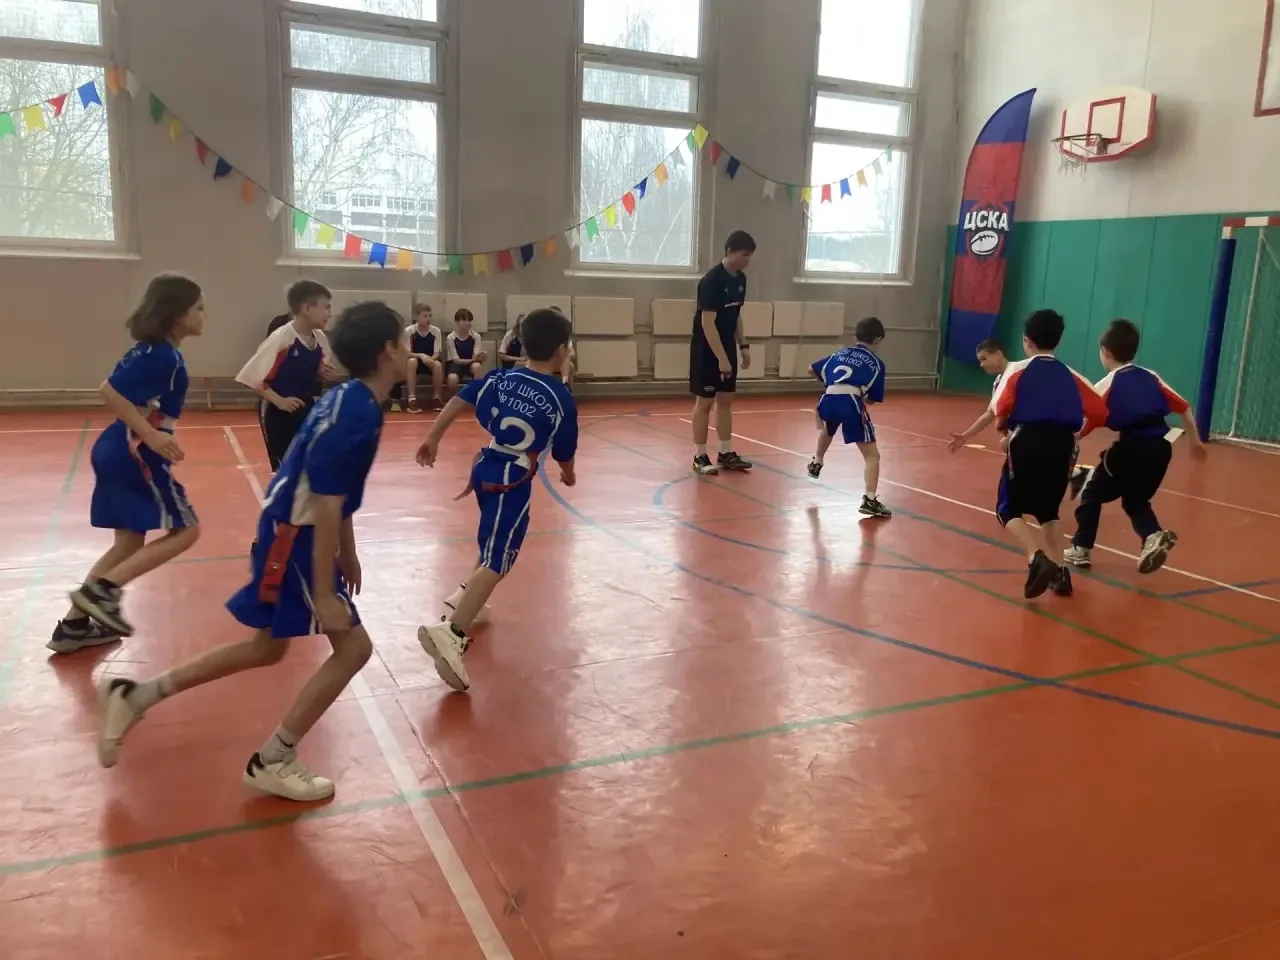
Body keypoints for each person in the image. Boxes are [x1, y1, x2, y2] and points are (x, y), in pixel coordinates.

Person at [94, 301, 408, 802]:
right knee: (354, 649)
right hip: (296, 536)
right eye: (405, 341)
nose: (410, 350)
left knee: (267, 647)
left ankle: (137, 695)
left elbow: (337, 486)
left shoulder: (348, 397)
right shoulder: (357, 410)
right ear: (388, 350)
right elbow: (326, 498)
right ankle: (274, 758)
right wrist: (323, 591)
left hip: (285, 528)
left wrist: (347, 552)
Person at [415, 307, 578, 693]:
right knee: (500, 558)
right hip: (512, 480)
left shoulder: (501, 378)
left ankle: (465, 597)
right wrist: (569, 475)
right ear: (561, 350)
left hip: (485, 466)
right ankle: (452, 633)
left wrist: (432, 438)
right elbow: (564, 453)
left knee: (492, 539)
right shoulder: (560, 398)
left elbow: (458, 402)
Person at [49, 275, 205, 654]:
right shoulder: (163, 356)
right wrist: (151, 435)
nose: (204, 316)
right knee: (187, 531)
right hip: (134, 452)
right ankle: (103, 592)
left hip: (117, 447)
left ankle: (73, 627)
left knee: (129, 543)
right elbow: (109, 390)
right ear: (177, 314)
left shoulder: (151, 351)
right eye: (199, 308)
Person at [1064, 319, 1206, 574]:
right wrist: (1195, 442)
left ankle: (1080, 548)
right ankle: (1152, 535)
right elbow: (1184, 407)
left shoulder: (1107, 383)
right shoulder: (1151, 376)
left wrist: (1073, 438)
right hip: (1162, 448)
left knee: (1092, 492)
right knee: (1135, 499)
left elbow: (1088, 419)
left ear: (1105, 352)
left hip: (1131, 447)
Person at [990, 309, 1108, 599]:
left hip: (1027, 438)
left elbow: (1001, 408)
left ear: (1026, 340)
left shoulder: (1017, 370)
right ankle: (1061, 573)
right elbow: (1099, 410)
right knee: (1047, 510)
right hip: (1063, 445)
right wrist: (1077, 433)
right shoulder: (1072, 375)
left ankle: (1036, 556)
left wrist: (1004, 430)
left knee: (1007, 508)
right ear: (1058, 340)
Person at [237, 280, 336, 471]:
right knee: (288, 469)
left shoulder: (320, 338)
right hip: (278, 412)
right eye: (326, 307)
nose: (330, 314)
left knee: (310, 466)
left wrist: (321, 372)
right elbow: (251, 377)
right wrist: (279, 401)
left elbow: (313, 369)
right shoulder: (281, 338)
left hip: (306, 406)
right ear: (307, 308)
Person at [805, 317, 892, 518]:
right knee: (872, 455)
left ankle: (817, 461)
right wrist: (861, 396)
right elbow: (873, 399)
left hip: (827, 399)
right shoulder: (876, 363)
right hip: (851, 401)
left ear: (856, 336)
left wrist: (831, 384)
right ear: (877, 340)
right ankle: (870, 500)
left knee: (829, 427)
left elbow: (811, 368)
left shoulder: (839, 353)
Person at [690, 230, 756, 475]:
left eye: (749, 256)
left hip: (727, 346)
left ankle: (726, 452)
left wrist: (743, 345)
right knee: (705, 402)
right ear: (730, 251)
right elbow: (708, 323)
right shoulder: (711, 281)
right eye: (744, 255)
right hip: (707, 349)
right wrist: (721, 358)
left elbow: (736, 314)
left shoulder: (741, 279)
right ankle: (700, 456)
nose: (747, 260)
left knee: (726, 401)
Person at [946, 339, 1009, 451]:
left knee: (1006, 445)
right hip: (1016, 433)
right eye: (980, 361)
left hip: (1031, 431)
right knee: (1006, 445)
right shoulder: (998, 382)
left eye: (984, 359)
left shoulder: (1019, 372)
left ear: (998, 354)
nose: (981, 365)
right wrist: (965, 436)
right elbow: (989, 413)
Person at [404, 302, 444, 412]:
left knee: (438, 364)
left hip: (430, 361)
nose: (428, 318)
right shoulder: (409, 331)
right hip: (416, 361)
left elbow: (437, 353)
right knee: (411, 361)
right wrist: (421, 355)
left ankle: (437, 398)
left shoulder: (436, 331)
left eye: (430, 316)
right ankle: (411, 399)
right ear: (417, 316)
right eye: (425, 316)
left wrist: (430, 359)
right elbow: (407, 353)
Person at [446, 308, 485, 389]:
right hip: (455, 365)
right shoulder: (451, 337)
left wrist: (482, 356)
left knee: (477, 366)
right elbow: (456, 360)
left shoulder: (476, 336)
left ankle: (476, 393)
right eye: (464, 320)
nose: (467, 323)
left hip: (471, 364)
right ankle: (456, 396)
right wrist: (473, 360)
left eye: (469, 320)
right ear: (457, 322)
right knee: (452, 378)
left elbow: (476, 356)